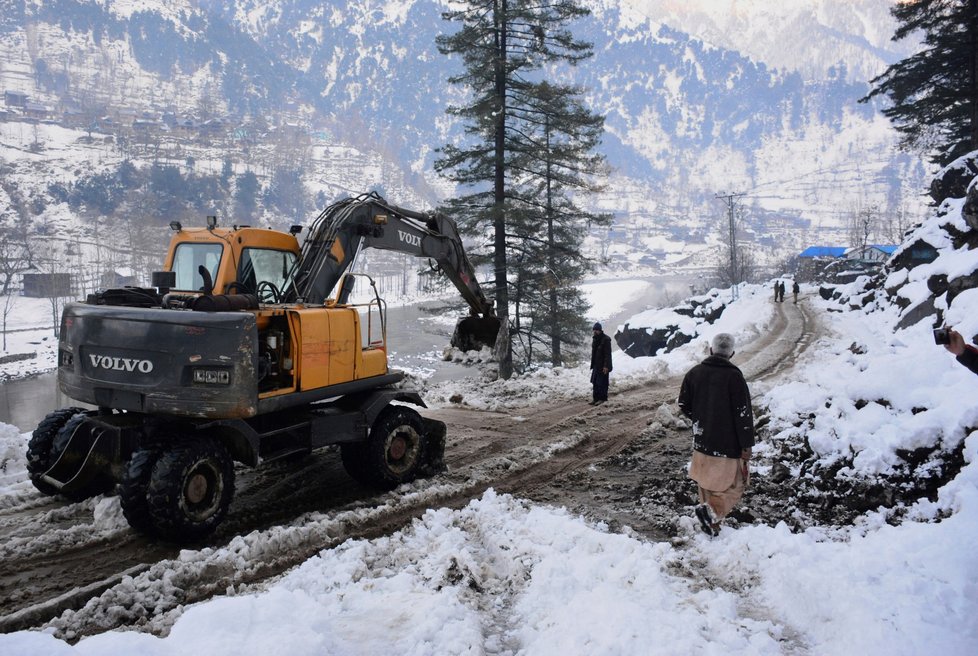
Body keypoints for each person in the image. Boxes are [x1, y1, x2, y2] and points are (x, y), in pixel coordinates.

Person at [678, 333, 755, 537]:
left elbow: (683, 404)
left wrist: (700, 418)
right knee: (736, 484)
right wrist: (746, 445)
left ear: (711, 350)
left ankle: (710, 524)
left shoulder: (694, 373)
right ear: (732, 354)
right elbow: (743, 414)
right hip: (728, 444)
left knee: (705, 483)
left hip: (702, 440)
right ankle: (712, 514)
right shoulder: (735, 377)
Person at [590, 322, 613, 405]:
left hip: (603, 365)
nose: (595, 331)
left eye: (597, 330)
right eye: (594, 330)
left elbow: (607, 354)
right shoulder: (595, 339)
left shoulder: (606, 339)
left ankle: (602, 398)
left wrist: (606, 366)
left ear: (600, 330)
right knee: (595, 382)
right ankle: (595, 398)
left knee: (602, 383)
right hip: (596, 364)